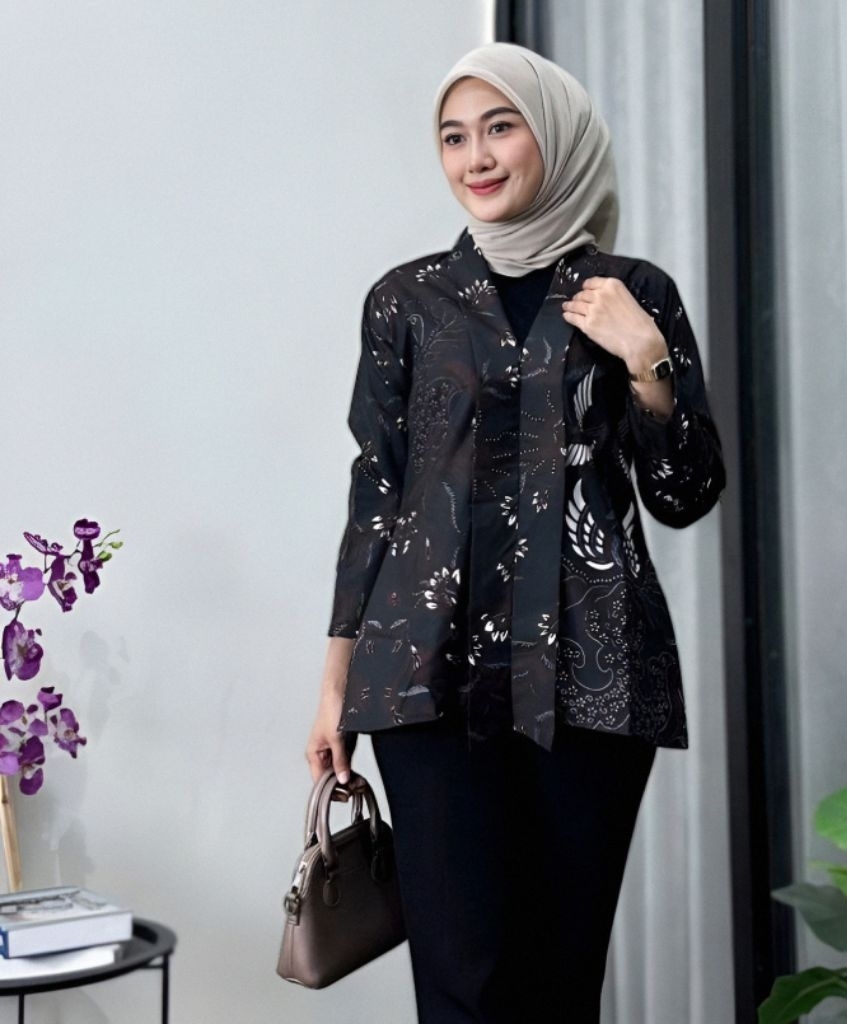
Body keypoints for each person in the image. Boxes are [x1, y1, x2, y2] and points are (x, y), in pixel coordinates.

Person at [306, 42, 725, 1024]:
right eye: (454, 137)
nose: (476, 157)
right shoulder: (406, 301)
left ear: (558, 137)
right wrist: (334, 686)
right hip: (424, 676)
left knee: (559, 982)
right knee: (464, 984)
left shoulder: (634, 294)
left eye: (501, 127)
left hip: (593, 675)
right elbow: (378, 495)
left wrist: (649, 362)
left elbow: (684, 492)